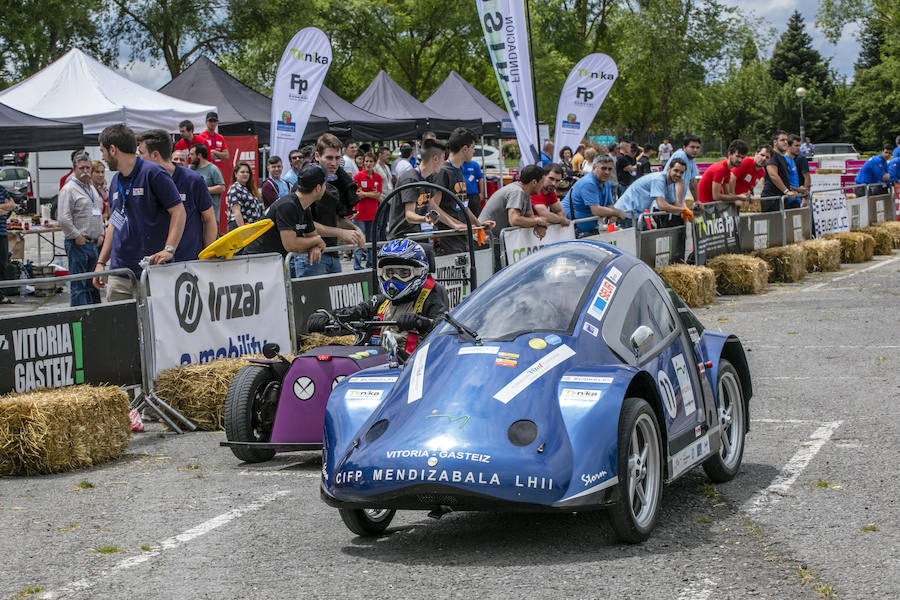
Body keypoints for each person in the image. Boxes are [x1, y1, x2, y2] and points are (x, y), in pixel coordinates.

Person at [306, 239, 448, 361]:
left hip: (409, 369)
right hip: (372, 365)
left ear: (420, 272)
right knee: (331, 355)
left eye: (403, 273)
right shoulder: (379, 302)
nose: (393, 280)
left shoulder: (432, 299)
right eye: (390, 273)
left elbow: (444, 329)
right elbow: (354, 313)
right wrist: (326, 316)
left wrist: (421, 323)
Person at [92, 124, 185, 302]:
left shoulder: (153, 173)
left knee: (156, 327)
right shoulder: (115, 181)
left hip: (152, 272)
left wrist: (169, 249)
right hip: (120, 272)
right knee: (121, 328)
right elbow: (115, 222)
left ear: (113, 150)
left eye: (102, 151)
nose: (102, 157)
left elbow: (179, 211)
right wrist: (101, 262)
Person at [137, 129, 217, 262]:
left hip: (187, 261)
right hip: (153, 262)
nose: (138, 158)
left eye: (141, 153)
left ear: (155, 155)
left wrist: (207, 257)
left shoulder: (192, 180)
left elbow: (209, 219)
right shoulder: (143, 180)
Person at [293, 133, 364, 277]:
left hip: (331, 253)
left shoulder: (338, 179)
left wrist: (355, 230)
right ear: (318, 156)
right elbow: (304, 224)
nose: (334, 163)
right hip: (311, 256)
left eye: (337, 158)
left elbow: (335, 218)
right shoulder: (306, 181)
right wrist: (341, 233)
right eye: (329, 158)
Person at [431, 128, 495, 255]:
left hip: (462, 237)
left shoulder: (459, 169)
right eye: (473, 147)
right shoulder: (443, 171)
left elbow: (462, 204)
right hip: (447, 239)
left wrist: (478, 224)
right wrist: (455, 225)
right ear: (464, 149)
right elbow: (432, 206)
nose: (473, 151)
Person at [245, 163, 326, 262]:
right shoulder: (287, 206)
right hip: (255, 259)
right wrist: (316, 241)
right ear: (318, 188)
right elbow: (291, 244)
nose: (325, 189)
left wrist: (315, 245)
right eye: (325, 185)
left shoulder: (304, 207)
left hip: (270, 260)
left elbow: (312, 236)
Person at [58, 152, 105, 306]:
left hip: (93, 243)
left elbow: (98, 210)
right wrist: (76, 236)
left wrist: (101, 234)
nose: (85, 170)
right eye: (81, 168)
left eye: (87, 167)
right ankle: (80, 321)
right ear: (74, 169)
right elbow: (64, 218)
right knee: (79, 286)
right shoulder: (69, 189)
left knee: (93, 285)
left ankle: (95, 319)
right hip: (79, 244)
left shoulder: (91, 188)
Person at [387, 138, 445, 240]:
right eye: (443, 158)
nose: (444, 162)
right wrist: (425, 219)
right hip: (402, 238)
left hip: (419, 235)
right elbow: (409, 215)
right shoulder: (410, 179)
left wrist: (457, 224)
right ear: (435, 159)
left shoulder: (429, 178)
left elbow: (432, 206)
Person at [615, 158, 690, 229]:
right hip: (626, 212)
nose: (678, 174)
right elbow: (662, 205)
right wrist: (682, 210)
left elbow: (673, 203)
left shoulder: (669, 183)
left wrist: (687, 210)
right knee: (636, 241)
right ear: (669, 169)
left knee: (647, 239)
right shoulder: (659, 180)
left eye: (681, 172)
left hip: (637, 213)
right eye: (676, 170)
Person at [479, 165, 547, 240]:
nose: (543, 186)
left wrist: (538, 225)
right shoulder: (517, 191)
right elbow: (514, 220)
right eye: (542, 182)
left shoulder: (526, 192)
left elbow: (530, 216)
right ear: (534, 182)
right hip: (485, 240)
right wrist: (537, 221)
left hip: (492, 239)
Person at [564, 155, 624, 235]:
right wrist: (617, 213)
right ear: (593, 168)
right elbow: (596, 210)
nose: (607, 172)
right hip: (572, 230)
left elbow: (609, 204)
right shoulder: (588, 183)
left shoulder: (606, 183)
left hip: (589, 228)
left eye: (610, 169)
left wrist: (612, 215)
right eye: (603, 168)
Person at [351, 152, 383, 269]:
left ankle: (370, 264)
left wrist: (365, 193)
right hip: (360, 214)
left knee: (371, 241)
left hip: (373, 214)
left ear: (374, 163)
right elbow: (358, 194)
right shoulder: (358, 176)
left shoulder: (378, 177)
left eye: (371, 161)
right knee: (359, 241)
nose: (368, 164)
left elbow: (378, 195)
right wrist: (371, 193)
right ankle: (357, 266)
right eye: (366, 161)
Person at [697, 139, 750, 205]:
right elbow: (716, 196)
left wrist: (742, 195)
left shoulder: (727, 170)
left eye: (742, 158)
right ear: (729, 154)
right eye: (738, 156)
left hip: (711, 205)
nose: (740, 160)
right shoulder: (720, 169)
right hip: (705, 206)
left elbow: (727, 194)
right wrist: (738, 197)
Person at [761, 131, 801, 212]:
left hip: (781, 198)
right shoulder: (772, 156)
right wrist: (786, 191)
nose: (786, 142)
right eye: (782, 140)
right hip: (772, 199)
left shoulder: (782, 158)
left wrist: (795, 190)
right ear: (775, 142)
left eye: (786, 140)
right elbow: (773, 175)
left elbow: (784, 179)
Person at [190, 143, 225, 221]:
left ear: (199, 155)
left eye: (192, 154)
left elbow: (222, 187)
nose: (190, 157)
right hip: (195, 217)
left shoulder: (213, 169)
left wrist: (204, 190)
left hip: (211, 217)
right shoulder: (191, 169)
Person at [664, 135, 701, 206]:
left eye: (697, 147)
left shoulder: (692, 158)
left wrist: (697, 201)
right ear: (684, 147)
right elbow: (678, 181)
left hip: (677, 203)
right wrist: (679, 205)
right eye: (692, 147)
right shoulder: (681, 156)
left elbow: (692, 181)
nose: (695, 150)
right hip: (669, 203)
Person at [226, 162, 263, 230]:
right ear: (236, 174)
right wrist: (243, 230)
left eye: (247, 172)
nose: (245, 174)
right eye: (242, 172)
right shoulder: (235, 188)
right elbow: (236, 212)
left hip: (251, 228)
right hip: (240, 228)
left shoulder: (247, 189)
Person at [0, 184, 14, 304]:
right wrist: (5, 207)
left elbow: (13, 205)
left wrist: (6, 207)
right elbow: (7, 207)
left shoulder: (2, 189)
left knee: (2, 264)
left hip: (2, 233)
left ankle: (1, 295)